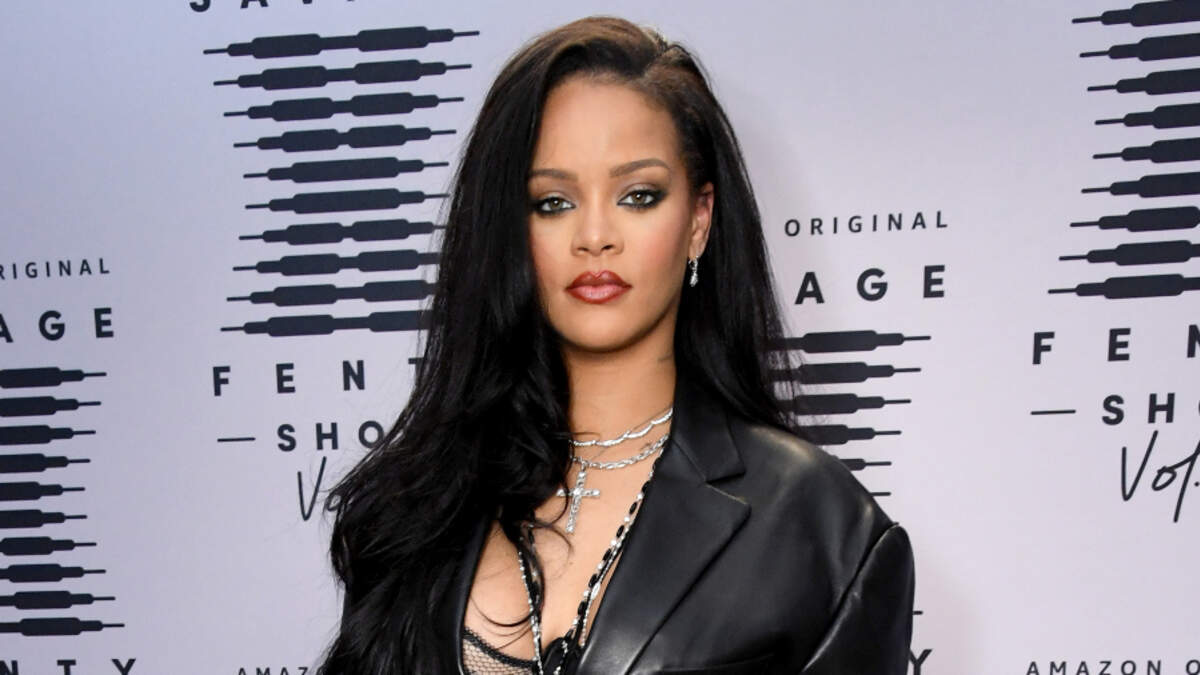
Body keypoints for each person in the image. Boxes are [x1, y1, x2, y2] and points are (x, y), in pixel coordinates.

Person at [316, 15, 914, 675]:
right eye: (553, 202)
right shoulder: (422, 504)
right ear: (510, 230)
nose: (594, 235)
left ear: (699, 219)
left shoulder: (818, 524)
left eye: (638, 195)